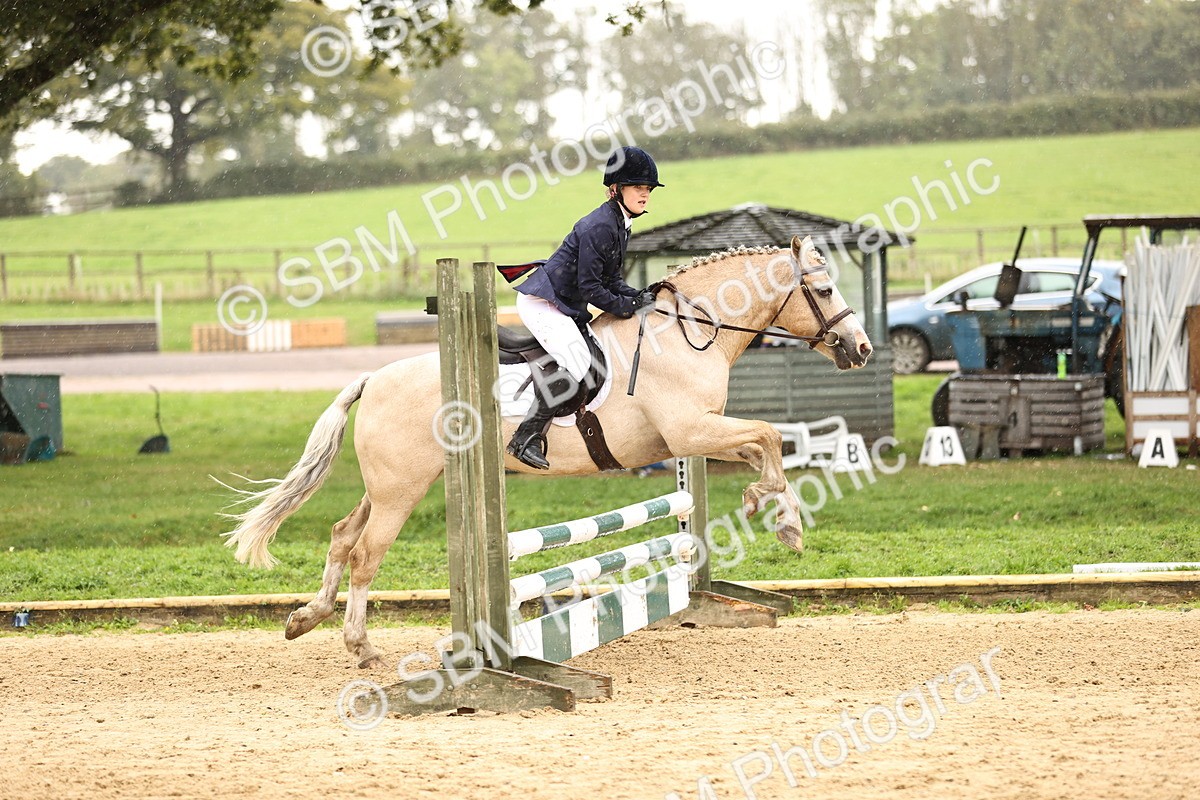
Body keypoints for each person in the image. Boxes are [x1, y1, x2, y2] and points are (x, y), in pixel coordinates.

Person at [506, 146, 663, 470]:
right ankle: (525, 437)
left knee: (593, 360)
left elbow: (611, 279)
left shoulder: (620, 223)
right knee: (577, 365)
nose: (645, 194)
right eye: (638, 187)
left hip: (566, 304)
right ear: (616, 189)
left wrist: (640, 297)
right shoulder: (599, 226)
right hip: (545, 303)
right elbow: (592, 288)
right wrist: (626, 306)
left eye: (647, 188)